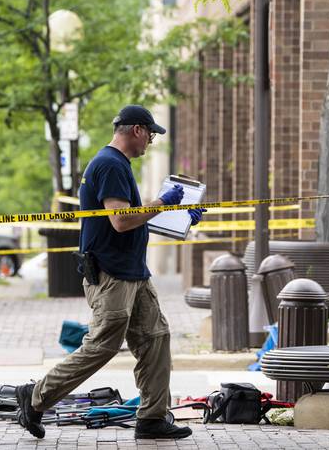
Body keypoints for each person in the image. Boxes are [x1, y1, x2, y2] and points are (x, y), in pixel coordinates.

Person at [15, 105, 205, 440]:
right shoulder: (110, 164)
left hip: (134, 273)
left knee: (156, 339)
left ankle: (152, 419)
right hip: (113, 275)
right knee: (103, 346)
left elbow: (130, 216)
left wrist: (179, 216)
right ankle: (34, 397)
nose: (151, 141)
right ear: (136, 130)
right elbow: (121, 221)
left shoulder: (117, 165)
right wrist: (161, 202)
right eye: (150, 134)